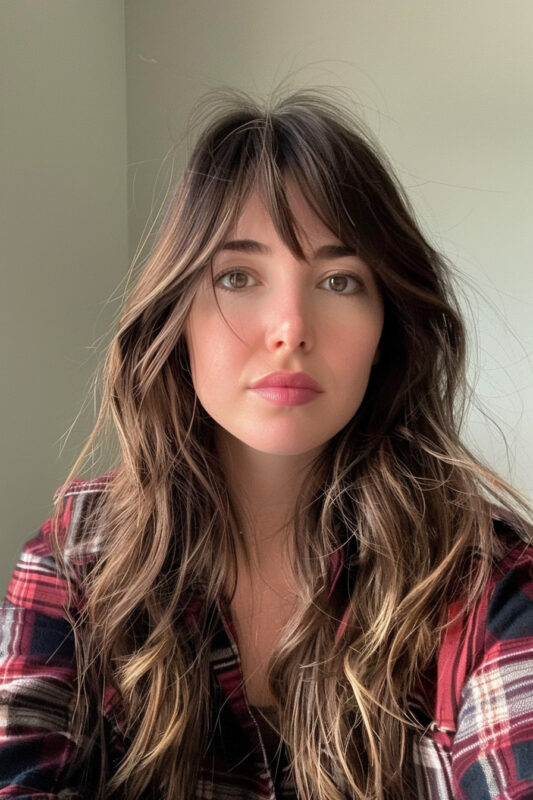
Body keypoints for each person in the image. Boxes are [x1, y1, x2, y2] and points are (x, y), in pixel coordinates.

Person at [1, 87, 532, 800]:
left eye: (340, 280)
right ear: (176, 320)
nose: (290, 327)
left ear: (386, 333)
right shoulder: (75, 563)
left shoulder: (485, 583)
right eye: (238, 276)